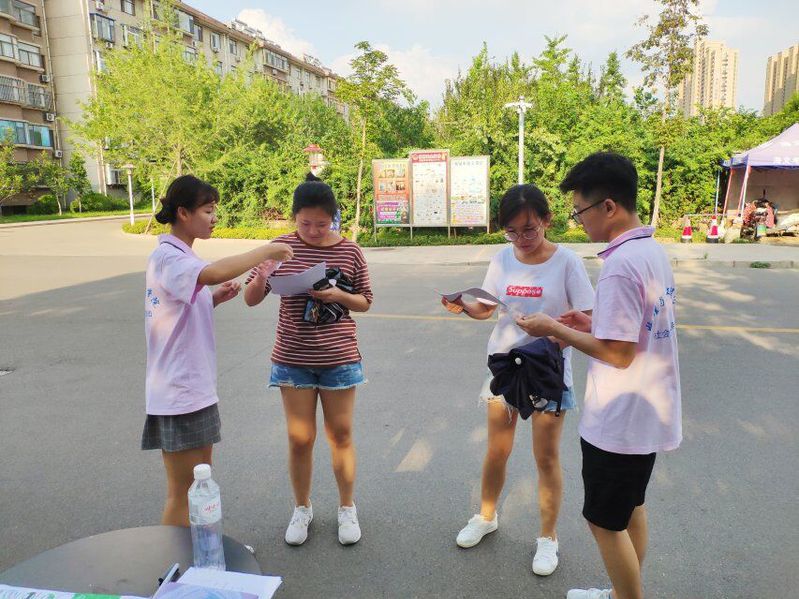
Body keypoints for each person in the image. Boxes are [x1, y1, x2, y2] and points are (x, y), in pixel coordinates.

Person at [516, 152, 682, 599]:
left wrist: (554, 328)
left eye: (580, 211)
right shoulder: (650, 252)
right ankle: (619, 593)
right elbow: (634, 331)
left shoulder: (620, 266)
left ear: (608, 207)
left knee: (604, 522)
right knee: (630, 509)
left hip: (620, 419)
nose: (578, 221)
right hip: (647, 411)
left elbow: (618, 354)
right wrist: (592, 323)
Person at [443, 184, 594, 575]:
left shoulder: (567, 262)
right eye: (512, 231)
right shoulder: (502, 258)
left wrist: (553, 334)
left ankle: (548, 538)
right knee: (497, 450)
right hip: (505, 367)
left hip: (546, 370)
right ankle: (486, 516)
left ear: (546, 220)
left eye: (529, 229)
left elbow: (589, 320)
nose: (522, 239)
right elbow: (487, 308)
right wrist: (464, 306)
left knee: (546, 457)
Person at [142, 174, 293, 527]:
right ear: (183, 213)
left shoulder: (179, 256)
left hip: (191, 389)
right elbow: (212, 272)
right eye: (207, 211)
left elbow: (178, 312)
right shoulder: (168, 257)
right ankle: (174, 557)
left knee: (198, 487)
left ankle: (198, 553)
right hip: (180, 392)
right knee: (183, 492)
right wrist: (266, 250)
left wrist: (213, 299)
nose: (214, 218)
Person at [244, 174, 373, 546]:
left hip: (338, 357)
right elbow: (251, 299)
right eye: (305, 224)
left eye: (321, 224)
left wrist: (337, 295)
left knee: (341, 436)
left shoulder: (350, 251)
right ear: (294, 218)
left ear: (334, 218)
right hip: (293, 356)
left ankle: (347, 507)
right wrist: (262, 275)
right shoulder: (278, 248)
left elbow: (365, 301)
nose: (313, 231)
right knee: (300, 439)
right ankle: (302, 508)